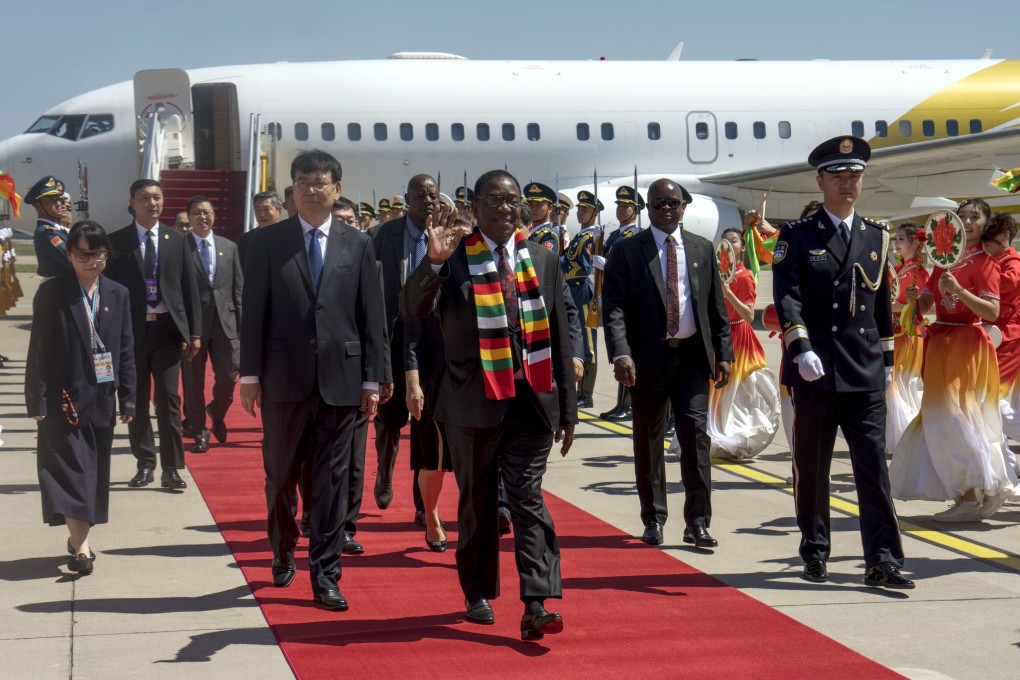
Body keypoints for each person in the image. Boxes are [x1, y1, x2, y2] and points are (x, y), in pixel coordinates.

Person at [402, 170, 576, 640]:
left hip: (532, 404)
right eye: (494, 201)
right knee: (478, 502)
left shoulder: (542, 259)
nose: (504, 209)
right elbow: (411, 308)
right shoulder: (452, 257)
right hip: (471, 404)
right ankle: (477, 588)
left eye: (511, 201)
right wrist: (432, 265)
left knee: (527, 496)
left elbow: (561, 334)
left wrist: (569, 411)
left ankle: (537, 602)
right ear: (474, 207)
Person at [240, 149, 388, 611]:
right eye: (302, 181)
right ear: (292, 191)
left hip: (342, 383)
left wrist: (372, 380)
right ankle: (283, 549)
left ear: (337, 190)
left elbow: (372, 317)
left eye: (320, 182)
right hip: (283, 380)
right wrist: (249, 374)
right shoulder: (268, 242)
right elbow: (254, 313)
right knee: (281, 476)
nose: (310, 189)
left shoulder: (358, 243)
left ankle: (325, 573)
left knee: (330, 482)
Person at [772, 135, 912, 589]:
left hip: (864, 372)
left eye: (854, 175)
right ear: (820, 180)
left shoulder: (876, 234)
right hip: (816, 372)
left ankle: (884, 560)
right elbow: (787, 298)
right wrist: (800, 347)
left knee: (873, 470)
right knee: (812, 470)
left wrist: (888, 361)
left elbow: (883, 305)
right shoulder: (797, 236)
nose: (848, 183)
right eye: (838, 175)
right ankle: (815, 552)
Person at [602, 179, 732, 549]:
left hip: (691, 359)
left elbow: (714, 306)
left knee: (696, 441)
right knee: (649, 442)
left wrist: (723, 353)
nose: (667, 209)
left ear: (684, 207)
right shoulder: (627, 251)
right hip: (646, 362)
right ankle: (654, 519)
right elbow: (613, 307)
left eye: (673, 203)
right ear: (648, 207)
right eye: (659, 203)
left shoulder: (701, 248)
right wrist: (621, 353)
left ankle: (698, 522)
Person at [890, 198, 1014, 521]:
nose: (969, 221)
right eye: (963, 216)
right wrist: (919, 300)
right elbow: (930, 303)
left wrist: (960, 291)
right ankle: (971, 491)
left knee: (955, 417)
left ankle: (973, 494)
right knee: (944, 419)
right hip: (940, 342)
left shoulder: (985, 261)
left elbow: (992, 311)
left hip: (966, 343)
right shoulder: (944, 260)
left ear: (986, 225)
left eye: (976, 217)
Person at [25, 220, 136, 575]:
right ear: (70, 255)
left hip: (102, 398)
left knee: (93, 475)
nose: (92, 261)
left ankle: (77, 540)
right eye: (84, 254)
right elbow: (38, 350)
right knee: (71, 473)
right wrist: (37, 401)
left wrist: (130, 398)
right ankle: (83, 550)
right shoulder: (53, 293)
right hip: (63, 400)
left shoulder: (118, 293)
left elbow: (125, 350)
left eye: (98, 253)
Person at [106, 179, 201, 491]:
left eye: (157, 197)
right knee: (135, 401)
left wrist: (195, 332)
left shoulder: (177, 239)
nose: (152, 203)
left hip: (168, 331)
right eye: (145, 197)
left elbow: (190, 288)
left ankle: (172, 468)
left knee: (169, 399)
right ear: (132, 202)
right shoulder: (116, 241)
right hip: (131, 333)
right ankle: (145, 462)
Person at [372, 175, 437, 521]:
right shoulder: (386, 234)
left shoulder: (445, 233)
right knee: (391, 413)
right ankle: (384, 469)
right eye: (420, 195)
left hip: (431, 338)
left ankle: (422, 505)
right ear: (407, 200)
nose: (427, 201)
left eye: (432, 195)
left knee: (426, 420)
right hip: (394, 333)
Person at [700, 228, 780, 458]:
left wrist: (727, 292)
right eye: (725, 241)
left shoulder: (744, 277)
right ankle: (716, 433)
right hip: (720, 335)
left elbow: (749, 315)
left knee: (737, 390)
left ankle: (735, 435)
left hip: (739, 337)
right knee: (717, 389)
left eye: (734, 241)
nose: (729, 245)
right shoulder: (717, 274)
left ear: (743, 248)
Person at [180, 196, 242, 453]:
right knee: (192, 382)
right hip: (192, 326)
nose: (202, 217)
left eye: (207, 213)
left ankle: (216, 410)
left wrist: (242, 323)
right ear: (189, 217)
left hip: (225, 324)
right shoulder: (180, 247)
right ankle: (199, 429)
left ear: (214, 216)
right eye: (197, 213)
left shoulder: (229, 247)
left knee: (229, 376)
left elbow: (238, 288)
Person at [599, 186, 645, 422]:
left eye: (625, 206)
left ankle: (627, 404)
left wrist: (606, 264)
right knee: (619, 353)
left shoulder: (634, 236)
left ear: (635, 210)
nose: (620, 209)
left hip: (628, 301)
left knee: (627, 352)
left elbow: (631, 270)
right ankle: (621, 403)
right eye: (618, 205)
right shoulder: (616, 235)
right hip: (613, 295)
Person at [886, 221, 929, 452]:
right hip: (897, 334)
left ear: (915, 242)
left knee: (904, 386)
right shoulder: (902, 269)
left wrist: (883, 306)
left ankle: (907, 436)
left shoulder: (917, 273)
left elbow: (913, 307)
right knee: (897, 386)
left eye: (902, 239)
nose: (897, 243)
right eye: (896, 239)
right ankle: (904, 436)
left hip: (908, 335)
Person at [564, 190, 603, 408]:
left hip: (582, 291)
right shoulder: (581, 235)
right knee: (577, 340)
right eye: (579, 209)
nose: (580, 213)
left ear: (594, 213)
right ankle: (581, 391)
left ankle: (586, 393)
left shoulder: (590, 238)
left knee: (588, 344)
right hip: (573, 290)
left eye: (585, 209)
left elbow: (583, 266)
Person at [986, 214, 1020, 453]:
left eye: (988, 242)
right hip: (997, 336)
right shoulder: (996, 260)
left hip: (1009, 338)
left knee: (994, 400)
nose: (985, 248)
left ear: (1005, 236)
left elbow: (1005, 284)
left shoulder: (1013, 262)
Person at [26, 175, 72, 278]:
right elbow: (69, 259)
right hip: (56, 290)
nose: (59, 204)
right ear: (38, 206)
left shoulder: (55, 230)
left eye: (58, 199)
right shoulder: (47, 232)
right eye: (50, 201)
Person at [238, 190, 283, 264]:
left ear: (279, 211)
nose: (262, 215)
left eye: (267, 209)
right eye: (258, 209)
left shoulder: (289, 236)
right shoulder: (245, 240)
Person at [524, 182, 559, 252]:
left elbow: (543, 262)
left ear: (550, 208)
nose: (533, 208)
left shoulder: (548, 237)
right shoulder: (529, 232)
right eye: (530, 204)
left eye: (539, 205)